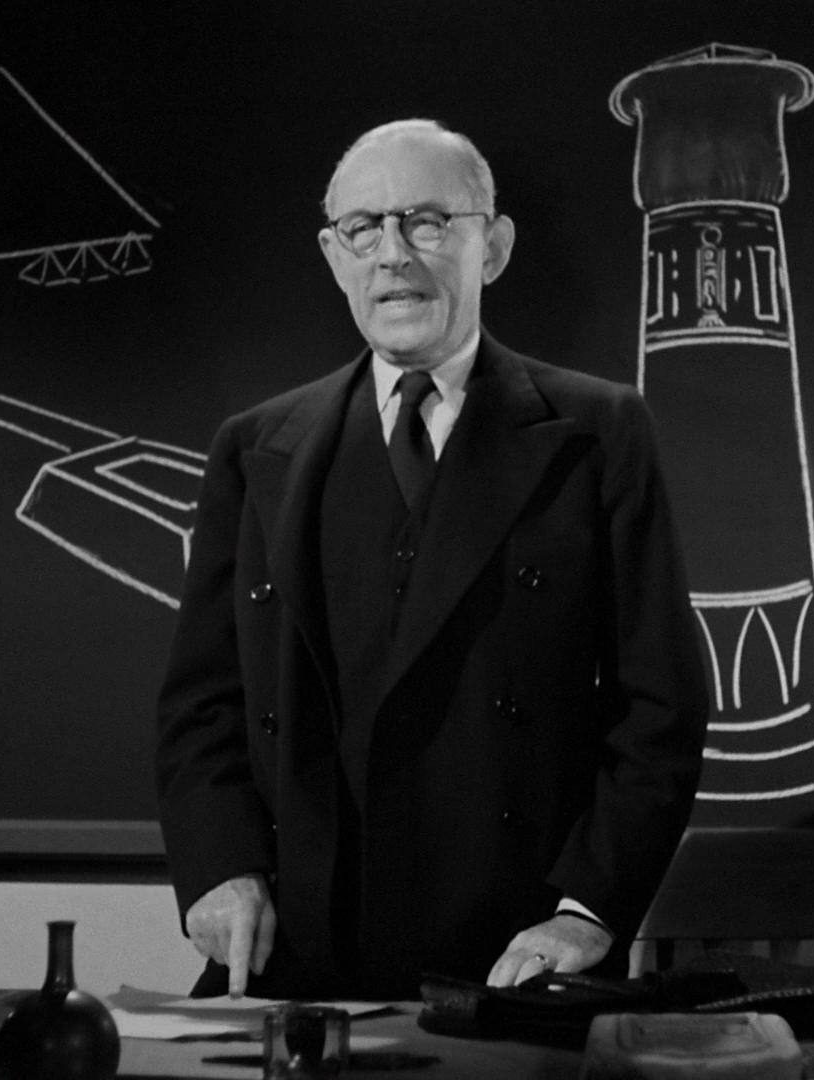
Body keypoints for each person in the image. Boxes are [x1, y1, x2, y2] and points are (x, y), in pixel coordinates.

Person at [155, 118, 709, 1001]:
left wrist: (587, 912)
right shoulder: (254, 447)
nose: (393, 255)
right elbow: (202, 703)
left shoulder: (599, 433)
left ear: (494, 246)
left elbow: (661, 706)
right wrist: (219, 866)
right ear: (334, 257)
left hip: (511, 959)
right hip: (295, 956)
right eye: (363, 229)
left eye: (426, 222)